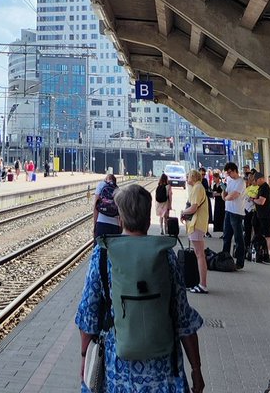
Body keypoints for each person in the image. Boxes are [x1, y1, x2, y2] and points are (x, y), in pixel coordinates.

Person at [76, 182, 205, 393]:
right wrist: (196, 369)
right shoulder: (165, 254)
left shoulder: (103, 254)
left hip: (117, 370)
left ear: (120, 218)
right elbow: (183, 318)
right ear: (147, 218)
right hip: (164, 371)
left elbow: (88, 318)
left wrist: (84, 358)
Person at [183, 168, 209, 293]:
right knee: (200, 254)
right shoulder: (198, 187)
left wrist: (183, 212)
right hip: (197, 224)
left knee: (200, 255)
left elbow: (193, 208)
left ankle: (203, 285)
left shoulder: (198, 188)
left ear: (193, 177)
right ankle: (201, 283)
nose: (187, 177)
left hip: (196, 224)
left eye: (188, 176)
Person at [219, 161, 247, 269]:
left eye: (230, 172)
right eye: (227, 173)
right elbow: (226, 193)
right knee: (226, 236)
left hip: (237, 212)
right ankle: (225, 258)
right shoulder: (229, 180)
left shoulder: (241, 182)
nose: (229, 174)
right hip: (228, 210)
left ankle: (240, 261)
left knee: (238, 237)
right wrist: (224, 193)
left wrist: (226, 197)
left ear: (235, 171)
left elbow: (234, 195)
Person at [252, 169, 270, 261]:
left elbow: (261, 201)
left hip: (266, 215)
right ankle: (265, 253)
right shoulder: (261, 187)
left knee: (268, 236)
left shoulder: (265, 188)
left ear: (261, 179)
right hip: (262, 215)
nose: (255, 182)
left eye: (256, 180)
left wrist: (254, 200)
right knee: (264, 235)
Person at [93, 169, 122, 240]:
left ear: (106, 179)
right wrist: (121, 228)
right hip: (115, 226)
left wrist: (95, 226)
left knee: (99, 246)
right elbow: (121, 213)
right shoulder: (118, 189)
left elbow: (95, 207)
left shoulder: (101, 185)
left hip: (101, 224)